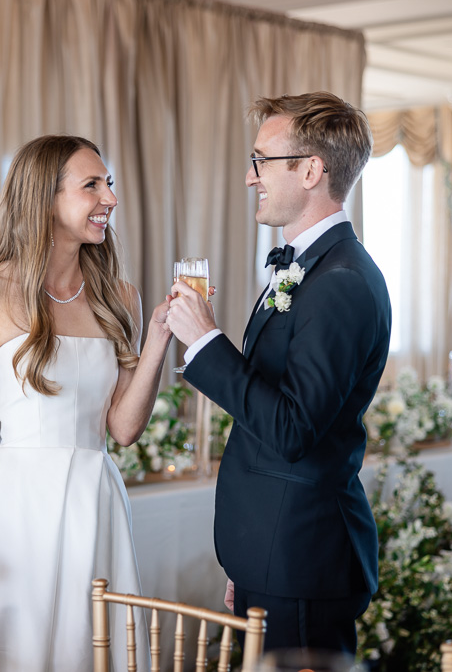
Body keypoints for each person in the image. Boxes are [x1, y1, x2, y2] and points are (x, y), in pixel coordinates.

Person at [0, 135, 169, 671]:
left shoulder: (119, 296)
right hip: (10, 509)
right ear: (45, 199)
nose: (111, 198)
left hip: (94, 500)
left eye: (110, 184)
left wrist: (158, 340)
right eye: (92, 186)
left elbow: (123, 429)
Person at [165, 91, 391, 654]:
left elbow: (292, 428)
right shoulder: (310, 267)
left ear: (311, 170)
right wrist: (249, 555)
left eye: (262, 160)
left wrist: (207, 341)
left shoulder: (341, 283)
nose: (250, 177)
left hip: (303, 555)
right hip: (275, 550)